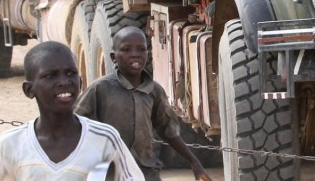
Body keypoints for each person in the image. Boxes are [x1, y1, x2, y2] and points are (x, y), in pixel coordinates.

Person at [0, 41, 142, 180]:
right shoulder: (11, 143)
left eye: (70, 73)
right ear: (29, 90)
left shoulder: (104, 138)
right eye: (50, 76)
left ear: (81, 82)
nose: (63, 82)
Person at [75, 27, 212, 181]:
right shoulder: (100, 88)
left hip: (146, 170)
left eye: (141, 49)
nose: (135, 54)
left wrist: (194, 162)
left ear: (148, 54)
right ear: (114, 57)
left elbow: (168, 131)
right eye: (126, 50)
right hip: (111, 172)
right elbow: (74, 124)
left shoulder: (154, 90)